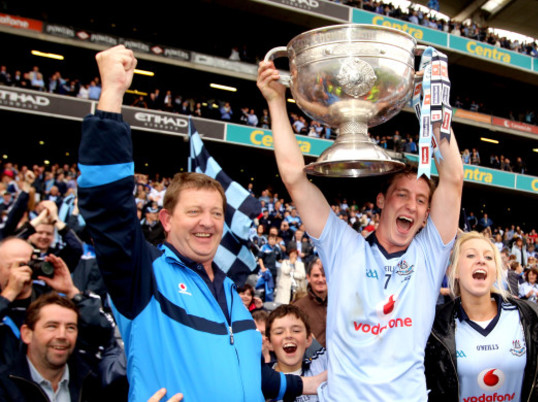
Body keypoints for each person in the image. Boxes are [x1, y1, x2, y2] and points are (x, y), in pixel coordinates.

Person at [77, 45, 322, 402]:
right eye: (193, 212)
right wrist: (112, 95)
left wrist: (306, 384)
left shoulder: (227, 291)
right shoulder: (143, 274)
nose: (207, 223)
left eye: (216, 213)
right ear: (166, 220)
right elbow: (107, 208)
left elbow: (246, 374)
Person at [258, 56, 463, 400]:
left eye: (421, 200)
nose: (411, 206)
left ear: (427, 213)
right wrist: (277, 101)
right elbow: (295, 179)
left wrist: (431, 112)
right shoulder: (343, 246)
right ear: (381, 201)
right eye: (402, 195)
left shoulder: (429, 254)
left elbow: (454, 179)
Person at [424, 231, 538, 402]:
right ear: (454, 271)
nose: (481, 260)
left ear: (495, 271)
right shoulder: (437, 325)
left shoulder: (526, 316)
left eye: (489, 258)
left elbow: (536, 385)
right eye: (471, 255)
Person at [0, 237, 114, 368]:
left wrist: (72, 292)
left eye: (27, 264)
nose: (23, 271)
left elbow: (103, 332)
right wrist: (9, 294)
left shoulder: (51, 300)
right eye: (13, 266)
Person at [0, 292, 115, 402]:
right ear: (26, 334)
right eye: (52, 326)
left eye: (70, 327)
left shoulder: (92, 382)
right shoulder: (4, 386)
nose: (62, 335)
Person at [266, 304, 327, 402]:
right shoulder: (261, 379)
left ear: (308, 339)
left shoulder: (322, 364)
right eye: (279, 332)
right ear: (269, 343)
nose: (288, 335)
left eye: (296, 330)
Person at [293, 258, 327, 349]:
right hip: (312, 360)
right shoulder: (298, 308)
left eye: (324, 275)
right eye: (316, 275)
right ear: (308, 278)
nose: (320, 279)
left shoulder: (339, 304)